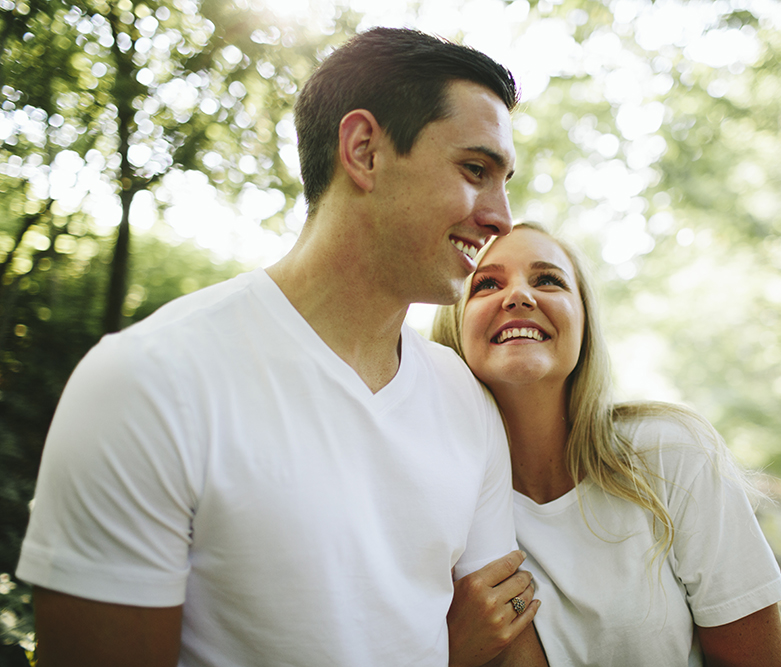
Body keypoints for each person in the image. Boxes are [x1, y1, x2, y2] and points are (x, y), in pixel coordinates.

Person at [16, 28, 547, 667]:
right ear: (364, 151)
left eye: (504, 180)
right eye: (475, 170)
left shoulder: (466, 402)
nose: (501, 217)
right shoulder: (147, 382)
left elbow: (506, 648)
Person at [433, 222, 781, 666]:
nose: (519, 296)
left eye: (548, 280)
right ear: (453, 328)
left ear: (584, 322)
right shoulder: (436, 500)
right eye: (487, 283)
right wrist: (446, 653)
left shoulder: (672, 453)